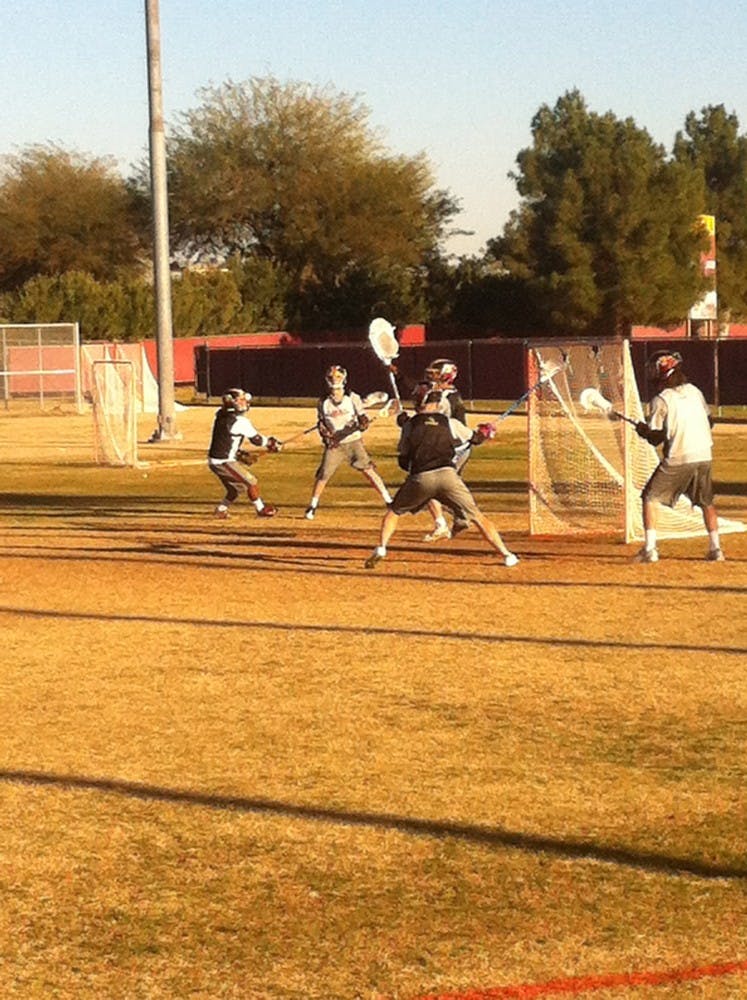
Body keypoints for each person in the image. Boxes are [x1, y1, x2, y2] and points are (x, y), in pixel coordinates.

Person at [364, 389, 518, 569]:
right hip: (448, 476)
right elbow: (475, 439)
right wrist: (486, 432)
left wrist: (407, 430)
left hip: (421, 477)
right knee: (477, 517)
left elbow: (403, 460)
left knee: (394, 511)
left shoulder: (410, 425)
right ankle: (507, 555)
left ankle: (382, 547)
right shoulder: (449, 422)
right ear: (436, 404)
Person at [634, 351, 724, 563]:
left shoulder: (661, 400)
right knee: (706, 501)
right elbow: (709, 422)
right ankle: (716, 549)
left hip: (679, 456)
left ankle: (650, 549)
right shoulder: (694, 391)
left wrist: (643, 431)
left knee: (649, 497)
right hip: (704, 454)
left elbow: (655, 438)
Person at [304, 365, 393, 519]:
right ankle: (312, 506)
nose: (334, 380)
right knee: (324, 474)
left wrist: (363, 422)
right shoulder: (323, 401)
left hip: (353, 442)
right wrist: (327, 437)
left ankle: (389, 501)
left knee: (368, 470)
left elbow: (362, 416)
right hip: (335, 445)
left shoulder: (352, 398)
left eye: (338, 377)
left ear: (344, 379)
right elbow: (322, 423)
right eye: (331, 377)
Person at [207, 388, 281, 518]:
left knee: (236, 489)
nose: (245, 402)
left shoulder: (221, 415)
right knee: (251, 482)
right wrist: (271, 443)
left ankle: (221, 510)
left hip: (220, 459)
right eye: (240, 400)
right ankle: (261, 509)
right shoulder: (239, 421)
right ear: (232, 402)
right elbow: (257, 440)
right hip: (222, 461)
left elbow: (226, 440)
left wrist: (238, 453)